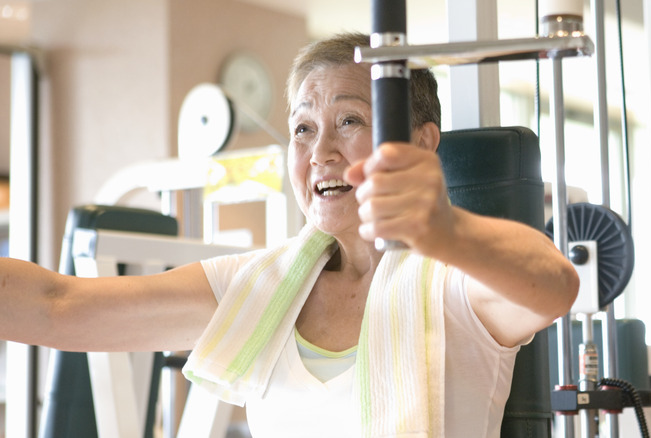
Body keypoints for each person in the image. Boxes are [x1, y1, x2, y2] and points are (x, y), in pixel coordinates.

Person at [0, 32, 578, 437]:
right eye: (303, 129)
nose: (320, 152)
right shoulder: (254, 287)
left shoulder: (451, 283)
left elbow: (554, 285)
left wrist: (446, 230)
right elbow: (58, 307)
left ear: (422, 143)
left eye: (348, 121)